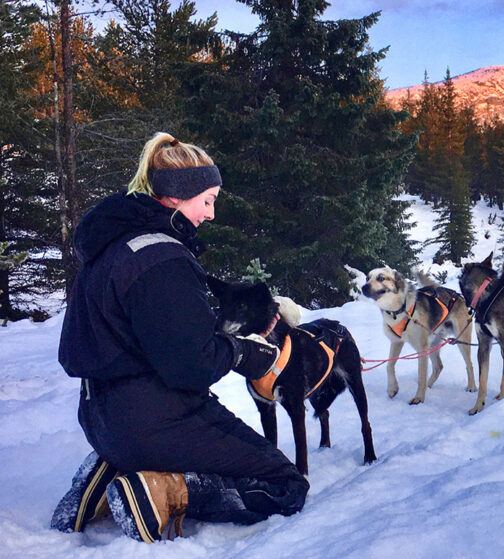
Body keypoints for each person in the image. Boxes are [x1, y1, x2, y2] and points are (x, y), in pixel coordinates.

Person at [50, 132, 309, 543]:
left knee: (215, 446)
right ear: (175, 196)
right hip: (158, 420)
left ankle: (111, 472)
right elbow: (191, 366)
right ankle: (161, 491)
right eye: (207, 201)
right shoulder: (162, 258)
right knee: (286, 483)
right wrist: (243, 353)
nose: (210, 214)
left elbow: (88, 348)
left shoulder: (111, 249)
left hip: (101, 418)